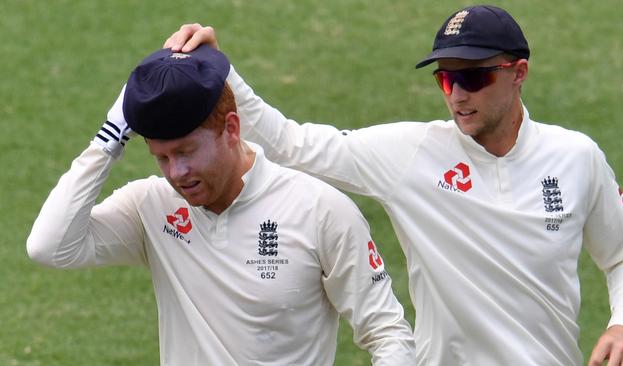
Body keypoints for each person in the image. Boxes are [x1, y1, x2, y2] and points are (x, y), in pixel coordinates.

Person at [164, 4, 623, 366]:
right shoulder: (411, 155)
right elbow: (293, 143)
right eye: (445, 80)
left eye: (474, 79)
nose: (457, 96)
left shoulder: (576, 157)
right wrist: (219, 68)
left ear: (518, 73)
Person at [26, 45, 416, 365]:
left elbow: (388, 335)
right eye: (161, 157)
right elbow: (50, 246)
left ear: (231, 128)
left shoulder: (320, 210)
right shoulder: (151, 206)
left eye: (186, 152)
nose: (176, 173)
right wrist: (109, 138)